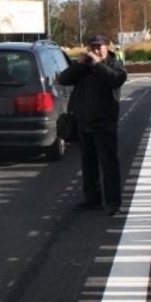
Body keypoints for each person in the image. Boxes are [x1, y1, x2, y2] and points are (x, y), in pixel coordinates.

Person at [57, 35, 127, 216]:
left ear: (106, 48)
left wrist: (97, 64)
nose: (96, 51)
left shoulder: (114, 64)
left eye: (99, 47)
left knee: (109, 165)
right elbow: (63, 79)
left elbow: (117, 79)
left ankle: (113, 202)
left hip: (104, 124)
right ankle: (92, 199)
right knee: (88, 165)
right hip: (84, 123)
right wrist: (78, 64)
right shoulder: (84, 67)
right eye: (93, 48)